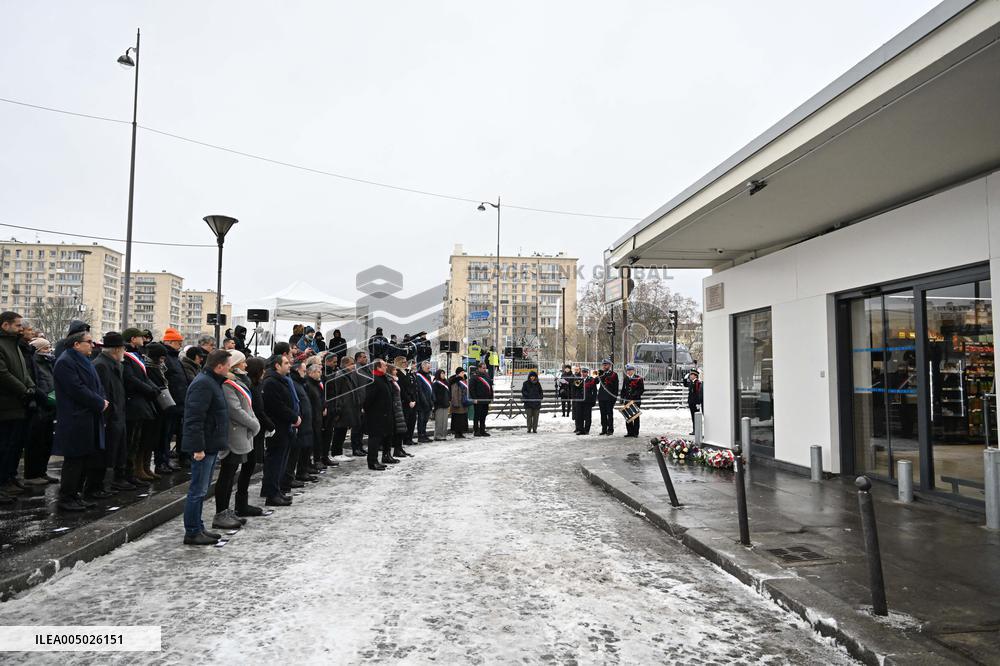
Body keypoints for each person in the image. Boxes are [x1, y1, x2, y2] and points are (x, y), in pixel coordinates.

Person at [52, 331, 107, 511]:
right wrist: (99, 402)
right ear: (76, 344)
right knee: (74, 460)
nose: (92, 345)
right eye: (89, 342)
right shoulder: (65, 362)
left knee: (84, 458)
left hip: (87, 416)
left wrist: (102, 400)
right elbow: (77, 389)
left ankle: (75, 495)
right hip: (74, 417)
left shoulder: (84, 360)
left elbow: (96, 385)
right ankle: (66, 497)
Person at [180, 349, 230, 545]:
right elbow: (194, 419)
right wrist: (198, 448)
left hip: (210, 443)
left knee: (201, 490)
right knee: (197, 491)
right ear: (219, 366)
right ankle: (192, 531)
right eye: (227, 365)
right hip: (204, 446)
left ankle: (198, 527)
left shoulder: (211, 382)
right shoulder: (203, 384)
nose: (229, 368)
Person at [214, 350, 260, 530]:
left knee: (231, 475)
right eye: (242, 362)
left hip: (241, 432)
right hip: (233, 434)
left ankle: (226, 511)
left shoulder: (238, 382)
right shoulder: (228, 384)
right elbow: (235, 410)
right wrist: (254, 424)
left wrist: (253, 421)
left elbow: (247, 406)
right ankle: (221, 513)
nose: (246, 365)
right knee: (226, 475)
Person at [0, 311, 35, 501]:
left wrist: (30, 386)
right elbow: (3, 373)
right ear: (5, 325)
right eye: (18, 325)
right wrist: (23, 389)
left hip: (18, 404)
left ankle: (8, 478)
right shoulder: (2, 345)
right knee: (4, 446)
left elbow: (23, 370)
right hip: (6, 404)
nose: (21, 328)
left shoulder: (15, 345)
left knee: (14, 446)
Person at [121, 328, 160, 488]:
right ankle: (128, 473)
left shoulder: (137, 354)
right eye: (139, 337)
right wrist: (149, 389)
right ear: (132, 339)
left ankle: (135, 471)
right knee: (131, 441)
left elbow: (143, 377)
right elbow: (131, 378)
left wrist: (153, 388)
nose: (143, 339)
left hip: (142, 401)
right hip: (133, 403)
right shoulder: (127, 356)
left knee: (139, 439)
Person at [94, 332, 130, 493]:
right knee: (108, 450)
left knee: (119, 448)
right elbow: (104, 391)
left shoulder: (115, 364)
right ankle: (102, 484)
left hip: (118, 413)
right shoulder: (102, 364)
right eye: (122, 348)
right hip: (110, 415)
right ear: (116, 349)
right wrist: (110, 412)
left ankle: (116, 479)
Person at [237, 356, 271, 517]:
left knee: (249, 468)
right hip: (250, 431)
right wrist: (270, 425)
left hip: (254, 431)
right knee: (247, 467)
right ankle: (241, 505)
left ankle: (243, 503)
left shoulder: (256, 385)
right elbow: (256, 410)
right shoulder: (252, 387)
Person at [23, 338, 57, 486]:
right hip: (39, 407)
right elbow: (34, 384)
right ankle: (32, 474)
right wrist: (45, 398)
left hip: (49, 407)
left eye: (49, 347)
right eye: (45, 348)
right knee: (36, 443)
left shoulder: (48, 363)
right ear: (38, 350)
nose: (49, 350)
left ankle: (42, 471)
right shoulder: (34, 363)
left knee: (47, 442)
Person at [286, 357, 317, 488]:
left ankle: (301, 472)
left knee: (303, 449)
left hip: (305, 421)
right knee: (294, 453)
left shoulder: (300, 382)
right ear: (298, 370)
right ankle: (291, 476)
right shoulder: (294, 382)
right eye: (304, 371)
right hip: (299, 422)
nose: (305, 373)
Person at [160, 328, 187, 474]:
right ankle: (162, 461)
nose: (180, 345)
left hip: (178, 401)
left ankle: (166, 460)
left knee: (170, 433)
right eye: (178, 342)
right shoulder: (167, 357)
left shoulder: (174, 357)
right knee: (166, 434)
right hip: (170, 402)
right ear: (169, 342)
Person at [143, 342, 171, 480]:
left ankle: (147, 467)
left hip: (162, 407)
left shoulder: (160, 368)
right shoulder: (148, 368)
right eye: (161, 358)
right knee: (149, 439)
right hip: (153, 407)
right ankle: (143, 468)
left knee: (158, 437)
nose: (163, 361)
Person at [362, 359, 393, 470]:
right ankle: (372, 461)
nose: (386, 367)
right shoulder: (374, 380)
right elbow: (368, 400)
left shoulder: (383, 379)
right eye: (384, 365)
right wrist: (373, 411)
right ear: (378, 367)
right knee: (374, 439)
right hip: (375, 416)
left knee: (380, 438)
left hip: (384, 415)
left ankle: (379, 459)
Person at [331, 355, 362, 459]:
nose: (354, 366)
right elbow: (337, 393)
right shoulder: (340, 375)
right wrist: (339, 408)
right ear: (344, 365)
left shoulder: (349, 374)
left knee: (343, 431)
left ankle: (339, 452)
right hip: (342, 408)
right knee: (339, 431)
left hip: (348, 407)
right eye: (351, 364)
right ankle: (336, 453)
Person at [305, 358, 329, 469]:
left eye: (320, 371)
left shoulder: (317, 383)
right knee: (313, 439)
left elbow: (321, 397)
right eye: (317, 372)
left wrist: (324, 407)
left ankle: (317, 459)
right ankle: (311, 461)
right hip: (312, 416)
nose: (320, 374)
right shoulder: (308, 384)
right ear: (310, 373)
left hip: (318, 415)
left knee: (318, 438)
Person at [387, 363, 409, 461]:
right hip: (395, 408)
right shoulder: (390, 381)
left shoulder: (395, 380)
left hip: (398, 407)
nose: (396, 371)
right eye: (394, 370)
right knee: (397, 429)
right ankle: (396, 450)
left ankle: (399, 448)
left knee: (401, 429)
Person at [350, 351, 371, 456]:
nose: (365, 358)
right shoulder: (356, 370)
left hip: (366, 402)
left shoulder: (365, 369)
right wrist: (359, 403)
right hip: (358, 403)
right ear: (358, 358)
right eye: (363, 357)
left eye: (366, 357)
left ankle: (360, 446)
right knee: (356, 427)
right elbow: (355, 387)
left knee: (362, 427)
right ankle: (355, 448)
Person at [396, 357, 418, 447]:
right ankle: (403, 440)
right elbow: (402, 389)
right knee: (405, 421)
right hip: (405, 401)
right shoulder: (399, 373)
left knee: (412, 421)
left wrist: (414, 400)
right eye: (403, 362)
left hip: (412, 400)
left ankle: (409, 438)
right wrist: (409, 400)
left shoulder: (407, 373)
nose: (405, 363)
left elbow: (412, 388)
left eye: (406, 362)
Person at [620, 364, 645, 438]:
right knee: (628, 416)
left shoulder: (638, 378)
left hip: (635, 400)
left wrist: (635, 395)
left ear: (633, 370)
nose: (628, 372)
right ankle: (629, 432)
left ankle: (635, 432)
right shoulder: (626, 378)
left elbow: (641, 389)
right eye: (627, 370)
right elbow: (623, 389)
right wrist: (622, 398)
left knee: (636, 417)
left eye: (630, 370)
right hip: (627, 400)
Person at [470, 362, 493, 437]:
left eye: (485, 368)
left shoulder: (486, 375)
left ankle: (482, 430)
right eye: (483, 368)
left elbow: (490, 387)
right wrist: (474, 398)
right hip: (478, 399)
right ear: (479, 368)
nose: (484, 369)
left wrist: (491, 397)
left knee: (484, 415)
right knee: (477, 416)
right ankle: (476, 430)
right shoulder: (474, 376)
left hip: (486, 400)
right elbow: (471, 389)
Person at [597, 359, 620, 436]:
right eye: (603, 365)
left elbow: (615, 387)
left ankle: (610, 429)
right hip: (601, 396)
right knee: (602, 414)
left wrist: (614, 397)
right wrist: (599, 374)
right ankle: (604, 429)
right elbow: (596, 381)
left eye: (606, 365)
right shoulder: (600, 373)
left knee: (609, 414)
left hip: (609, 397)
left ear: (610, 365)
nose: (604, 366)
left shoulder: (613, 374)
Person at [414, 360, 434, 443]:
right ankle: (420, 436)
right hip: (422, 402)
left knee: (425, 420)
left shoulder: (428, 376)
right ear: (423, 367)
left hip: (428, 401)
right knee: (421, 420)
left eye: (429, 367)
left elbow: (430, 389)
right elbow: (420, 390)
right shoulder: (418, 376)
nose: (429, 368)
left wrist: (431, 401)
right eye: (427, 367)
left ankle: (424, 434)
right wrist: (425, 402)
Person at [449, 367, 470, 439]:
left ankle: (460, 432)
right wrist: (456, 403)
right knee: (457, 419)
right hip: (457, 402)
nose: (463, 373)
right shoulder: (455, 381)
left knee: (462, 419)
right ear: (458, 373)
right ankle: (457, 433)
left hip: (463, 402)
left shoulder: (463, 380)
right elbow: (454, 392)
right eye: (462, 372)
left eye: (463, 372)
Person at [432, 369, 451, 440]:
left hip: (445, 404)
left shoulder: (446, 382)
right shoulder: (435, 383)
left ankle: (443, 435)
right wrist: (435, 402)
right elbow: (433, 394)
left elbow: (449, 392)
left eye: (444, 373)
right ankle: (437, 435)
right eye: (442, 373)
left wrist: (449, 399)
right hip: (439, 404)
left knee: (445, 421)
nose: (443, 375)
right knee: (439, 421)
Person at [684, 369, 703, 435]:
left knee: (696, 417)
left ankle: (697, 430)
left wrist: (698, 403)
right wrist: (685, 378)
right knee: (693, 416)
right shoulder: (691, 382)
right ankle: (694, 430)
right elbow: (685, 384)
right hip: (691, 402)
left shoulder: (698, 383)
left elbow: (698, 393)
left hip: (695, 403)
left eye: (691, 375)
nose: (690, 376)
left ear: (695, 376)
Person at [570, 367, 585, 434]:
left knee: (579, 414)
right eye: (575, 370)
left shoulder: (580, 377)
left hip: (579, 397)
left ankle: (580, 428)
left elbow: (577, 385)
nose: (576, 371)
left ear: (580, 370)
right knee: (575, 413)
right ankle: (577, 427)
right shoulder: (573, 376)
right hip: (574, 397)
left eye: (577, 370)